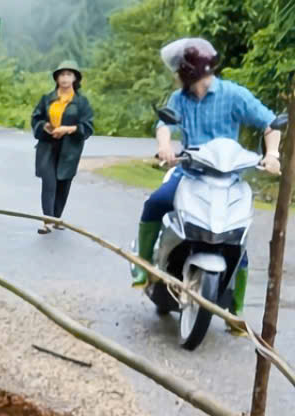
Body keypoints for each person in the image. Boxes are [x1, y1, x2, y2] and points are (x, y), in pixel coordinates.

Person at [130, 37, 282, 317]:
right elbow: (164, 124)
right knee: (155, 203)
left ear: (189, 71)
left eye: (177, 70)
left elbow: (270, 123)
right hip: (189, 173)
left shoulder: (234, 95)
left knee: (238, 233)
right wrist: (164, 144)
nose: (175, 76)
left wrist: (272, 154)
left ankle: (235, 308)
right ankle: (143, 265)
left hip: (229, 180)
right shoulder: (179, 99)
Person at [30, 60, 94, 233]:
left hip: (70, 148)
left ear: (75, 78)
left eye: (68, 74)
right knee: (48, 182)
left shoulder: (81, 102)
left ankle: (57, 218)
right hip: (48, 145)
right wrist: (45, 126)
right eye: (62, 75)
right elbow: (36, 118)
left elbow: (88, 126)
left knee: (63, 183)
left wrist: (68, 129)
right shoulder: (47, 99)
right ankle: (47, 221)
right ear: (57, 78)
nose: (65, 78)